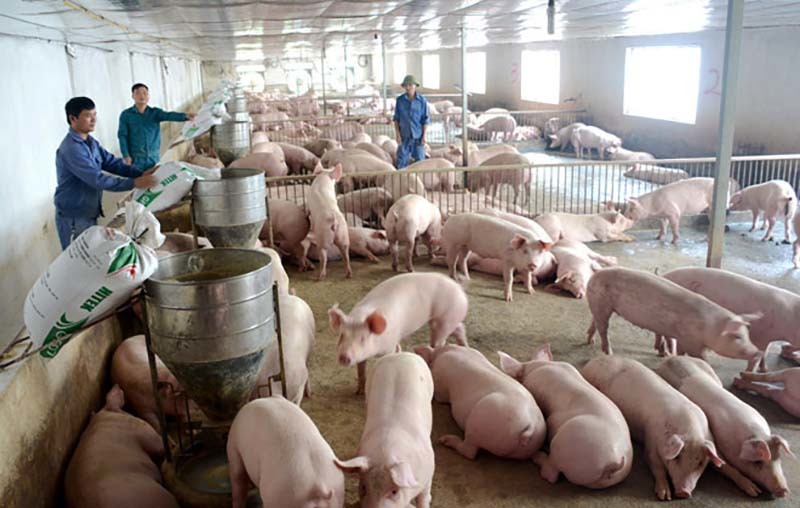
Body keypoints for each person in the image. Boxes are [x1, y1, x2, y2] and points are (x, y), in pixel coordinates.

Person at [54, 97, 158, 249]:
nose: (94, 120)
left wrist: (139, 174)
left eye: (95, 115)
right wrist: (134, 183)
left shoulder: (90, 142)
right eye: (88, 116)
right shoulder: (71, 149)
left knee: (91, 253)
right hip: (74, 218)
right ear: (72, 119)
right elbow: (97, 180)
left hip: (88, 213)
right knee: (81, 256)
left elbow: (111, 162)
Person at [117, 83, 195, 170]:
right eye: (138, 93)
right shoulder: (126, 115)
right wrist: (126, 155)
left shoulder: (155, 113)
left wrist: (185, 116)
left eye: (145, 93)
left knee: (154, 178)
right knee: (138, 178)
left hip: (153, 158)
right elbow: (122, 136)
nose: (142, 96)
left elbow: (168, 115)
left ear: (148, 96)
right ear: (133, 96)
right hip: (135, 159)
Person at [393, 75, 429, 169]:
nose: (408, 87)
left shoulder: (422, 101)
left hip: (418, 136)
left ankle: (418, 178)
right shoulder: (400, 100)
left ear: (415, 86)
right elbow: (396, 119)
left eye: (410, 85)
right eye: (406, 85)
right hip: (404, 136)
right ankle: (401, 178)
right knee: (401, 161)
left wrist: (424, 135)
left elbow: (425, 119)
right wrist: (397, 134)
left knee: (420, 161)